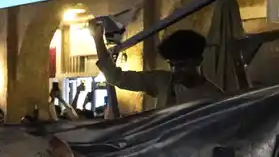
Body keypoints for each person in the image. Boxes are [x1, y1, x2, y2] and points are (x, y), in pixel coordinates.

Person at [91, 23, 225, 109]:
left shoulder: (213, 97)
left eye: (182, 65)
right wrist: (98, 39)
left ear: (198, 61)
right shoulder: (163, 82)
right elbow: (116, 77)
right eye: (172, 65)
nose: (175, 70)